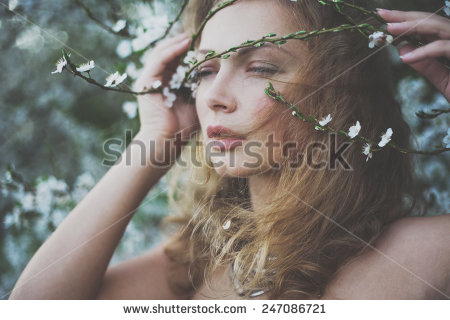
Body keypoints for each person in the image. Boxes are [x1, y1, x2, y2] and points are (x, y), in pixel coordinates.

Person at [9, 0, 450, 300]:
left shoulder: (428, 253)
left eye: (259, 67)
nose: (215, 95)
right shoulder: (200, 262)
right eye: (204, 70)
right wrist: (154, 138)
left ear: (342, 92)